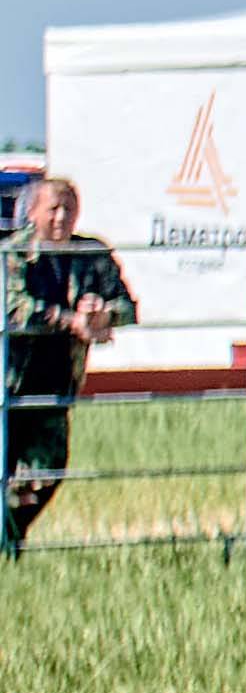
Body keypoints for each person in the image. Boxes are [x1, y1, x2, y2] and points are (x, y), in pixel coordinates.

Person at [7, 177, 134, 555]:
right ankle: (7, 546)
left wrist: (102, 313)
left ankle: (8, 539)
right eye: (53, 208)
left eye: (69, 208)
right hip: (9, 384)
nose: (62, 217)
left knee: (47, 469)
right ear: (32, 213)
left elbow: (128, 305)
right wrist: (70, 320)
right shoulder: (13, 254)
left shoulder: (90, 254)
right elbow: (15, 308)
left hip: (55, 383)